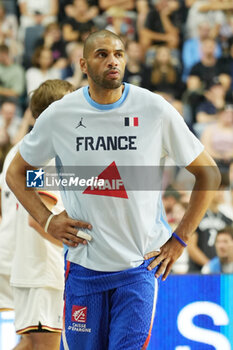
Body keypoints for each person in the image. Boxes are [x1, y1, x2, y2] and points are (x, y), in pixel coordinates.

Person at [6, 30, 221, 350]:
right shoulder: (59, 117)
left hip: (138, 269)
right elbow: (17, 174)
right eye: (102, 54)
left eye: (119, 53)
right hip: (79, 269)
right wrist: (49, 220)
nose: (112, 61)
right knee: (37, 342)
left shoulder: (153, 109)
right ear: (82, 63)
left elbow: (209, 175)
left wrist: (179, 240)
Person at [0, 79, 75, 350]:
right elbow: (39, 218)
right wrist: (79, 248)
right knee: (43, 344)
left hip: (23, 262)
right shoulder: (46, 155)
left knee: (30, 342)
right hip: (42, 267)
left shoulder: (18, 152)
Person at [187, 190, 233, 272]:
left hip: (222, 271)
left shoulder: (228, 220)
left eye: (222, 190)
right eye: (218, 190)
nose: (221, 193)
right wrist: (210, 266)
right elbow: (191, 247)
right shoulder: (195, 217)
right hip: (197, 271)